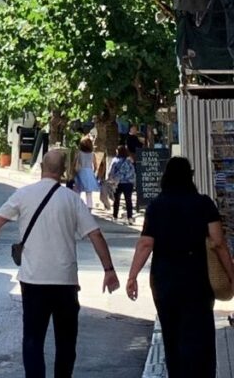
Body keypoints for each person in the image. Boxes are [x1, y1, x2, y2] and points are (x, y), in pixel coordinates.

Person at [0, 148, 120, 378]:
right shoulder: (72, 199)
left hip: (33, 281)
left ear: (42, 168)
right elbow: (96, 235)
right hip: (65, 282)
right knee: (66, 342)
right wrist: (109, 270)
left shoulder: (23, 194)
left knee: (33, 340)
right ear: (63, 172)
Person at [126, 156, 234, 378]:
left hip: (165, 279)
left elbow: (146, 243)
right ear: (190, 177)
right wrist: (231, 275)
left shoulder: (156, 206)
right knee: (200, 334)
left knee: (172, 334)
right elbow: (218, 242)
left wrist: (132, 276)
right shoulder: (204, 204)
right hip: (198, 278)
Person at [107, 145, 136, 222]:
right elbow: (133, 172)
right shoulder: (129, 161)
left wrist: (111, 180)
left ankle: (115, 216)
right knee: (128, 200)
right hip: (128, 183)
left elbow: (111, 171)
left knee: (116, 200)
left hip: (118, 183)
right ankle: (130, 217)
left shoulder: (115, 160)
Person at [74, 136, 100, 208]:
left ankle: (77, 206)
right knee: (89, 192)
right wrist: (93, 172)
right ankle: (89, 207)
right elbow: (95, 165)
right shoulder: (92, 154)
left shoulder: (79, 153)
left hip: (81, 171)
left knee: (78, 190)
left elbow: (75, 163)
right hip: (89, 172)